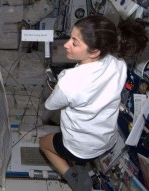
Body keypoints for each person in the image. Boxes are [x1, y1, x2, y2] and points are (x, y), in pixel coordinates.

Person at [39, 15, 148, 191]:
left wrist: (57, 86)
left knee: (44, 144)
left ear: (95, 51)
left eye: (74, 42)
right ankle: (80, 164)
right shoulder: (119, 63)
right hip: (106, 141)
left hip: (80, 147)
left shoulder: (69, 81)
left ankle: (75, 180)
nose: (66, 44)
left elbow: (50, 105)